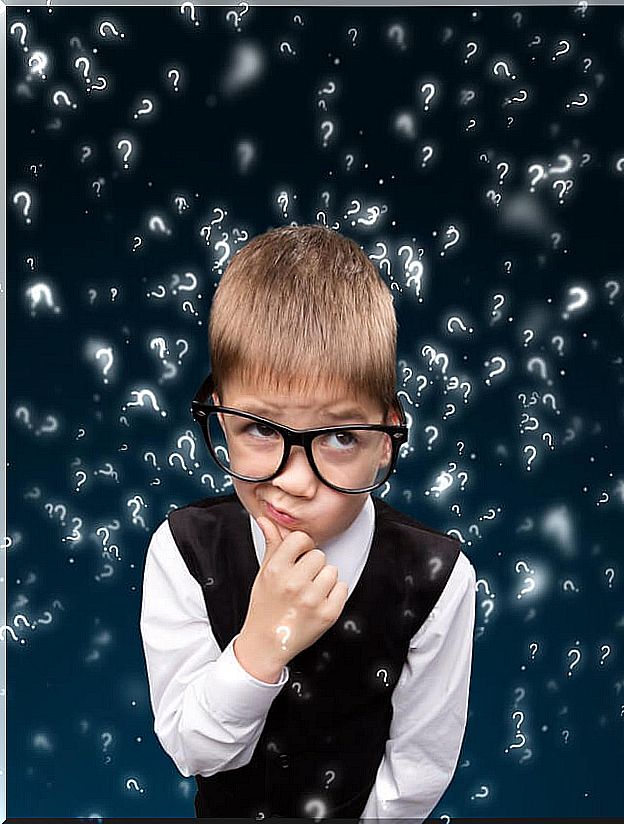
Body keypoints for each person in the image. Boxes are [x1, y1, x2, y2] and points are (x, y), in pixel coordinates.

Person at [139, 224, 477, 819]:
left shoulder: (436, 578)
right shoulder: (184, 549)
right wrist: (261, 644)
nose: (294, 480)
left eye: (342, 436)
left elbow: (417, 770)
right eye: (261, 428)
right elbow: (194, 750)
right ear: (219, 418)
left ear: (388, 441)